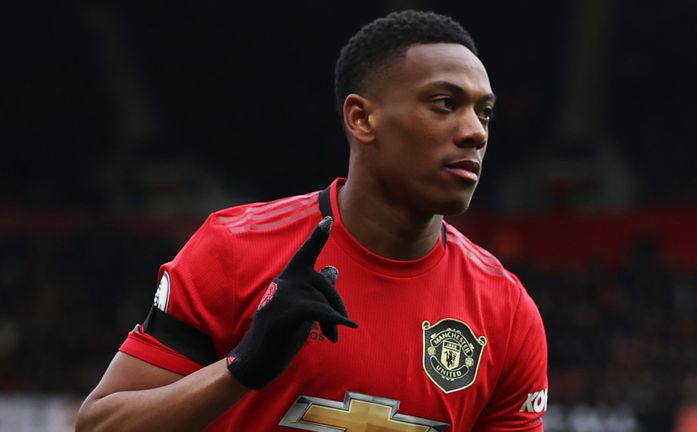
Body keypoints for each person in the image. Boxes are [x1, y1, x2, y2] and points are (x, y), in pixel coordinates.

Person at [76, 9, 548, 431]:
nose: (473, 133)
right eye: (445, 104)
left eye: (483, 112)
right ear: (362, 119)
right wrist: (243, 367)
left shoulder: (506, 313)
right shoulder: (235, 250)